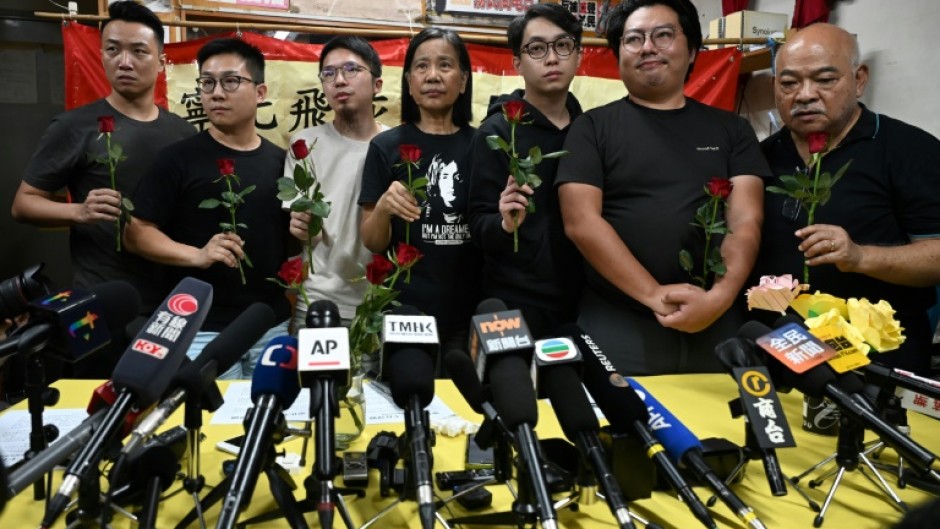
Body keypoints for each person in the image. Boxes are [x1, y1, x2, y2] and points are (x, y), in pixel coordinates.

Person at [556, 0, 769, 375]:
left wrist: (720, 297)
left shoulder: (733, 130)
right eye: (633, 39)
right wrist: (652, 294)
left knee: (726, 411)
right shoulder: (590, 128)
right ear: (619, 54)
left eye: (663, 35)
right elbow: (581, 222)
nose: (648, 47)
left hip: (716, 317)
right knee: (614, 411)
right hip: (619, 318)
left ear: (692, 50)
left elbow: (745, 220)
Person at [756, 23, 940, 375]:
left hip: (875, 361)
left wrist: (860, 256)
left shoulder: (910, 150)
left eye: (825, 80)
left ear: (859, 80)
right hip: (777, 349)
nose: (805, 95)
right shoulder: (759, 158)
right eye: (789, 83)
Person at [124, 38, 293, 379]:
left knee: (272, 410)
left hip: (269, 324)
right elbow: (136, 232)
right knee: (209, 413)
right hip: (201, 328)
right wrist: (196, 255)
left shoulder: (283, 162)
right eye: (207, 83)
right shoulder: (177, 159)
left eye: (230, 81)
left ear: (260, 92)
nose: (216, 93)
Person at [11, 1, 194, 313]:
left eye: (139, 51)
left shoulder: (183, 133)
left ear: (161, 62)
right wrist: (79, 211)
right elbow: (23, 204)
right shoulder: (74, 126)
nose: (124, 62)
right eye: (113, 50)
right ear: (102, 56)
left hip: (173, 297)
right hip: (104, 297)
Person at [359, 28, 480, 359]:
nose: (433, 76)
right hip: (404, 312)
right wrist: (383, 208)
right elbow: (372, 241)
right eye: (422, 66)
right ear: (409, 82)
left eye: (445, 65)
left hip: (469, 313)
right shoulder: (385, 147)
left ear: (463, 80)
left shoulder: (482, 146)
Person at [467, 3, 584, 339]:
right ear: (517, 62)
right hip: (515, 300)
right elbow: (477, 224)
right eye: (537, 49)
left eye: (563, 45)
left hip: (584, 300)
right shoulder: (497, 132)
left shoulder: (589, 130)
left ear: (578, 55)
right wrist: (504, 224)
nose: (552, 58)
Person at [285, 36, 387, 330]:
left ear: (377, 84)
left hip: (380, 302)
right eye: (329, 73)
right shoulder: (305, 144)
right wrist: (301, 227)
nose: (339, 81)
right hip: (318, 301)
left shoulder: (394, 145)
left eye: (351, 69)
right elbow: (303, 230)